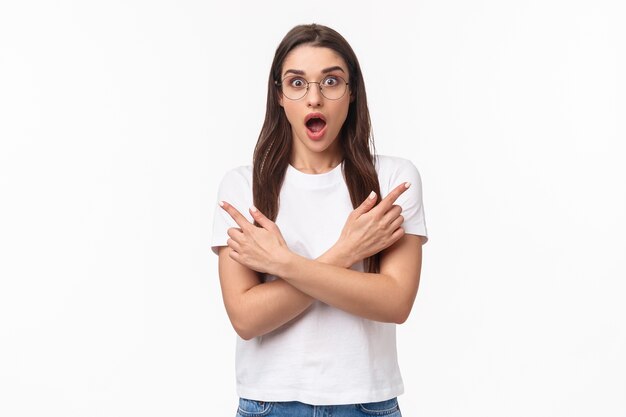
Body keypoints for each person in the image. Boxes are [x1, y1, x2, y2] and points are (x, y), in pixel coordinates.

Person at [211, 23, 428, 417]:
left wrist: (283, 265)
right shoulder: (243, 186)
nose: (315, 98)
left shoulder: (394, 181)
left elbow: (395, 302)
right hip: (269, 403)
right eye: (297, 83)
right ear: (279, 95)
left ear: (352, 93)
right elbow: (245, 317)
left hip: (366, 404)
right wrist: (347, 251)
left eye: (331, 81)